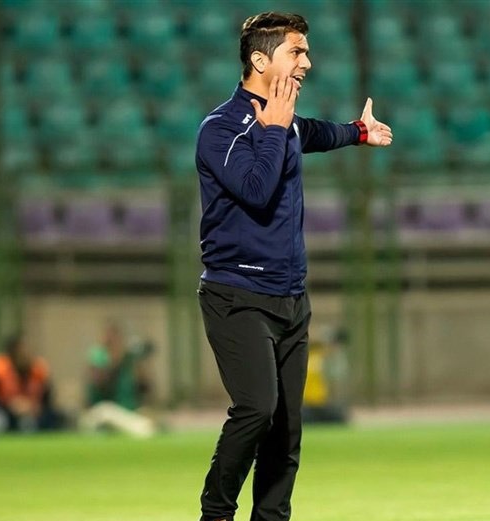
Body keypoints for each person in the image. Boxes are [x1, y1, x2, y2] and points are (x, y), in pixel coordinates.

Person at [194, 12, 392, 521]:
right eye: (296, 52)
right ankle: (215, 513)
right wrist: (275, 130)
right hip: (236, 294)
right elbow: (256, 190)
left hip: (290, 298)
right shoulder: (221, 129)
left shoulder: (285, 124)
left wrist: (358, 132)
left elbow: (314, 133)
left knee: (285, 430)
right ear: (260, 61)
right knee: (256, 409)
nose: (307, 62)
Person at [79, 320, 157, 438]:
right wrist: (117, 359)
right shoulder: (99, 356)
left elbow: (145, 388)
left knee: (146, 417)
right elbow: (100, 382)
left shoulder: (129, 361)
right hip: (101, 411)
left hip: (126, 413)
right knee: (106, 411)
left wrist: (138, 363)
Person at [0, 333, 62, 432]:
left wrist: (32, 406)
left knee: (54, 417)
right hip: (6, 412)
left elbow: (47, 399)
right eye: (22, 349)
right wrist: (12, 405)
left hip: (34, 412)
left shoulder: (38, 369)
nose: (26, 353)